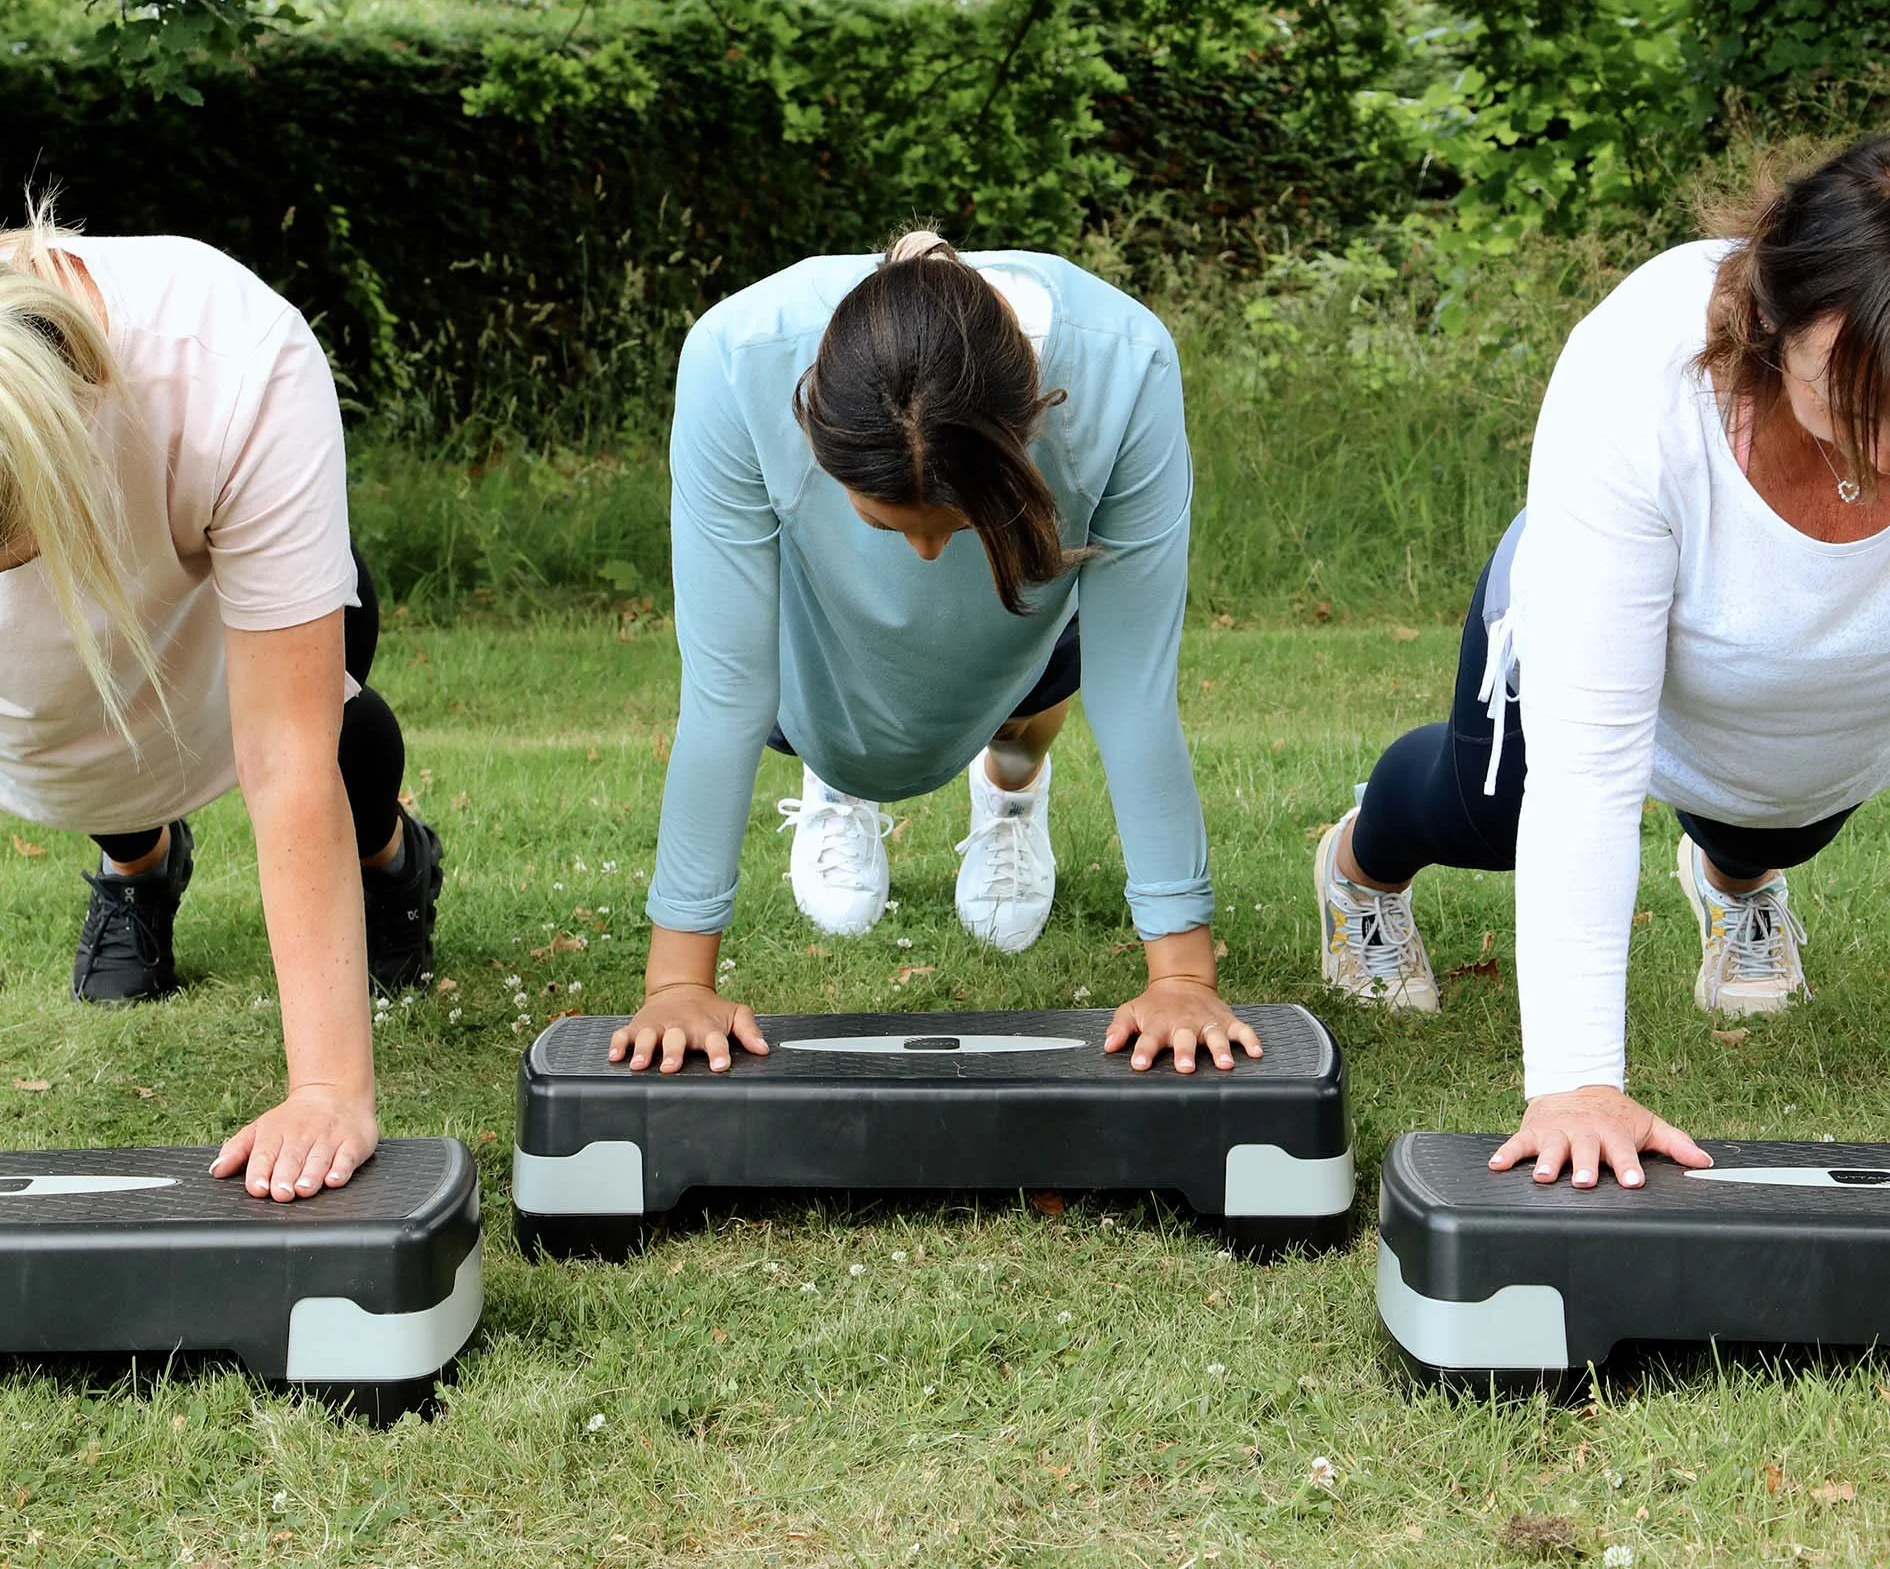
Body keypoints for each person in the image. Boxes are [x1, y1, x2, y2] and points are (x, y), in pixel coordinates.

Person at [1312, 136, 1890, 1190]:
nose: (1887, 446)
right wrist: (1578, 1081)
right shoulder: (1640, 373)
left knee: (1783, 811)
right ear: (1770, 320)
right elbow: (1590, 772)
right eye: (1851, 395)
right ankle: (1359, 868)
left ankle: (1739, 878)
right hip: (1597, 631)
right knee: (1487, 805)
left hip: (1809, 689)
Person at [612, 229, 1260, 1080]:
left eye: (952, 523)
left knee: (1027, 705)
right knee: (838, 720)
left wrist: (1182, 974)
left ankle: (1013, 795)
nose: (924, 551)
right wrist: (676, 985)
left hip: (1025, 620)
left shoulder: (1127, 367)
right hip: (828, 636)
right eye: (891, 523)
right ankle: (839, 766)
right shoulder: (737, 359)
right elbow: (727, 690)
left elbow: (1133, 689)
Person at [0, 211, 443, 1198]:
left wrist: (327, 1088)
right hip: (73, 710)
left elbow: (285, 752)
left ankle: (391, 860)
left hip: (222, 626)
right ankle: (139, 864)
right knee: (81, 733)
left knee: (333, 729)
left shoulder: (225, 353)